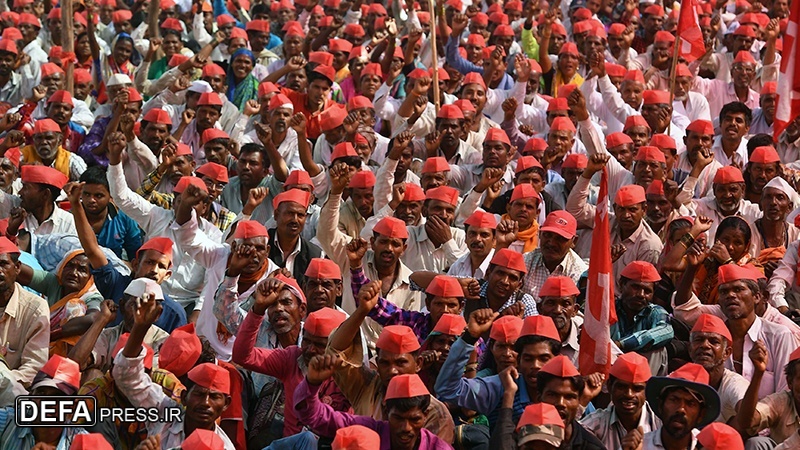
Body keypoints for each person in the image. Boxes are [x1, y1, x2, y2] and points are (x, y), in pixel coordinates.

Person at [612, 261, 674, 376]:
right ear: (621, 284)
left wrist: (621, 344)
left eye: (647, 291)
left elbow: (666, 330)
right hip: (609, 368)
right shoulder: (609, 308)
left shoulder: (655, 311)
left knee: (657, 350)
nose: (641, 295)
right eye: (635, 287)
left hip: (641, 372)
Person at [641, 363, 722, 450]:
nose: (681, 409)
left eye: (690, 403)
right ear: (661, 405)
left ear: (701, 414)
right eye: (674, 400)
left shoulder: (707, 447)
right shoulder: (641, 446)